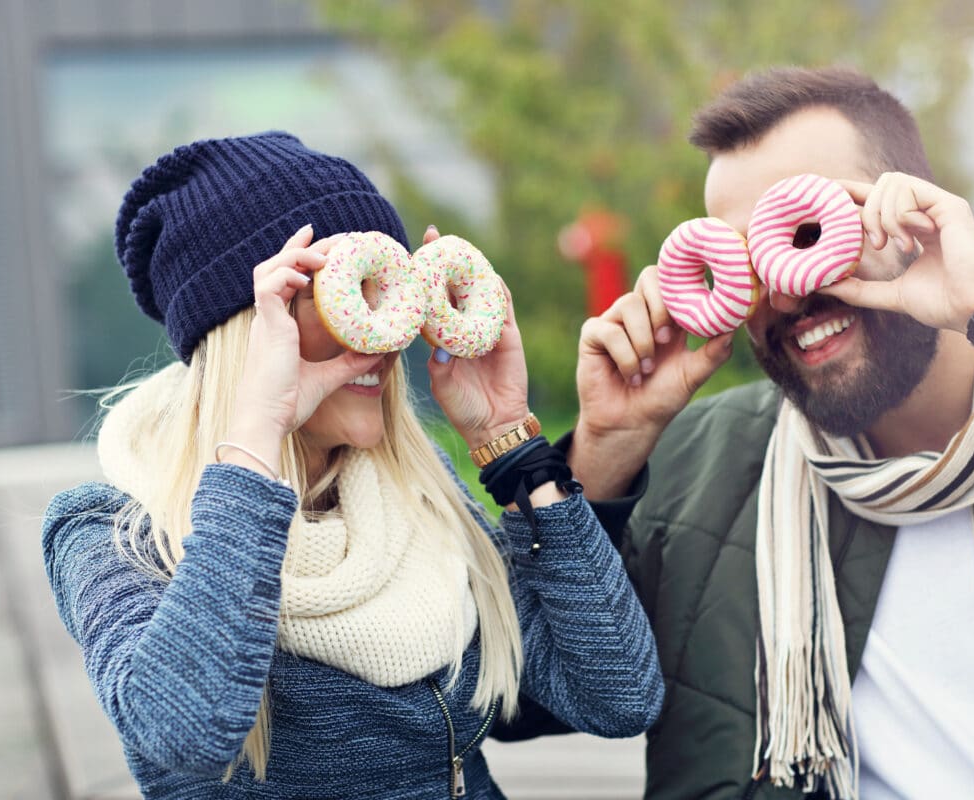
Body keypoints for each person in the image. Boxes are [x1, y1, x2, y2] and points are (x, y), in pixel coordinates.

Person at [498, 66, 974, 798]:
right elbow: (513, 700)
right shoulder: (706, 463)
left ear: (917, 215)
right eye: (747, 256)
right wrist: (607, 446)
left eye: (805, 232)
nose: (787, 288)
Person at [41, 132, 663, 799]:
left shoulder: (417, 501)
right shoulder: (113, 532)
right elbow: (184, 730)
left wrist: (511, 442)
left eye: (391, 294)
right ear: (247, 330)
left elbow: (617, 695)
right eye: (346, 297)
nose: (383, 336)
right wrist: (255, 438)